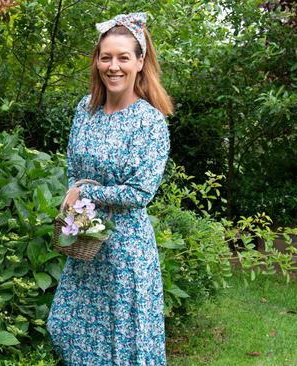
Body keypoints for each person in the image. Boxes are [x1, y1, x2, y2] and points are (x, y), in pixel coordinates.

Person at [46, 12, 174, 365]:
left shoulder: (149, 121)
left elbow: (140, 193)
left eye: (122, 58)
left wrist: (88, 194)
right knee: (65, 327)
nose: (113, 66)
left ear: (139, 62)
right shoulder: (84, 111)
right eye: (106, 57)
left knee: (123, 344)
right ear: (97, 61)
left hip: (127, 252)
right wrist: (77, 204)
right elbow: (74, 170)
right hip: (86, 242)